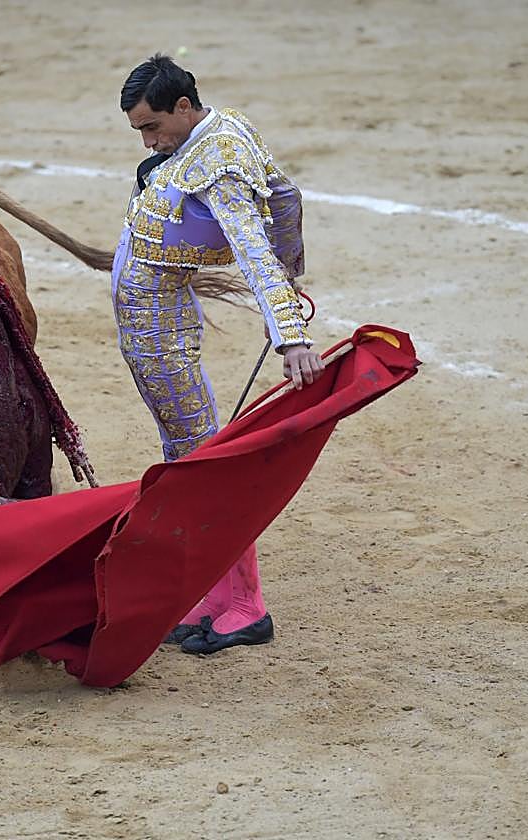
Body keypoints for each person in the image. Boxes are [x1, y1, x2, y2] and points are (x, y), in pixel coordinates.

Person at [111, 54, 324, 654]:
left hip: (163, 327)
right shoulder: (221, 128)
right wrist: (294, 276)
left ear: (184, 107)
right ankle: (215, 590)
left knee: (200, 462)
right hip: (158, 323)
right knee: (191, 456)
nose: (150, 143)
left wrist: (290, 332)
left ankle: (245, 604)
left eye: (153, 127)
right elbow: (285, 196)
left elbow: (252, 247)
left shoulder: (219, 160)